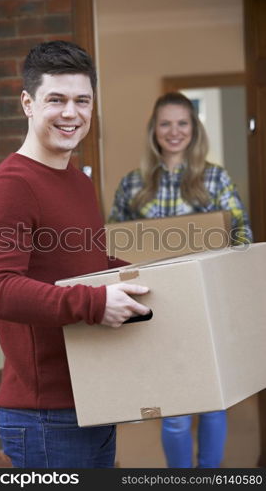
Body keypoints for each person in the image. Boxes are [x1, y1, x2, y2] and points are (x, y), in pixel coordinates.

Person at [0, 40, 151, 469]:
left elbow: (87, 265)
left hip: (93, 397)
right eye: (57, 99)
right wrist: (94, 303)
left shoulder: (77, 182)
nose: (71, 113)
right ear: (28, 104)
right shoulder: (11, 187)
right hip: (45, 418)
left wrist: (157, 276)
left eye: (82, 101)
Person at [108, 91, 252, 468]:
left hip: (208, 306)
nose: (174, 132)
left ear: (194, 129)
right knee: (173, 415)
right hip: (159, 308)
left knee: (212, 405)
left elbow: (242, 237)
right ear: (153, 130)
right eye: (165, 124)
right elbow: (113, 246)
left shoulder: (215, 179)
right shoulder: (132, 185)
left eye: (182, 123)